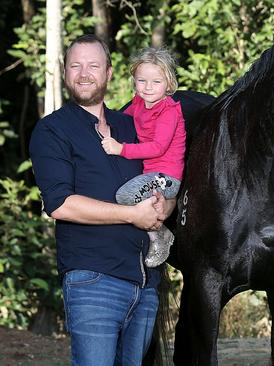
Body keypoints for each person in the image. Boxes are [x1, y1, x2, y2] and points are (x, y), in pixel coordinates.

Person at [29, 34, 175, 365]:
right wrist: (132, 215)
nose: (84, 73)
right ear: (64, 72)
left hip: (144, 285)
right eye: (75, 65)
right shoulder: (53, 130)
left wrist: (166, 203)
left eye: (93, 65)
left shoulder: (132, 127)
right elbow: (60, 204)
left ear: (108, 73)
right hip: (93, 282)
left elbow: (163, 174)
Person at [100, 47, 186, 267]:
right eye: (142, 81)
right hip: (149, 175)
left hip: (166, 178)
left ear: (169, 83)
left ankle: (160, 233)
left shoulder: (169, 111)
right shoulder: (138, 103)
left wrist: (121, 149)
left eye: (156, 82)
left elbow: (157, 147)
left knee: (125, 197)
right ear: (134, 81)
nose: (148, 87)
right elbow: (121, 122)